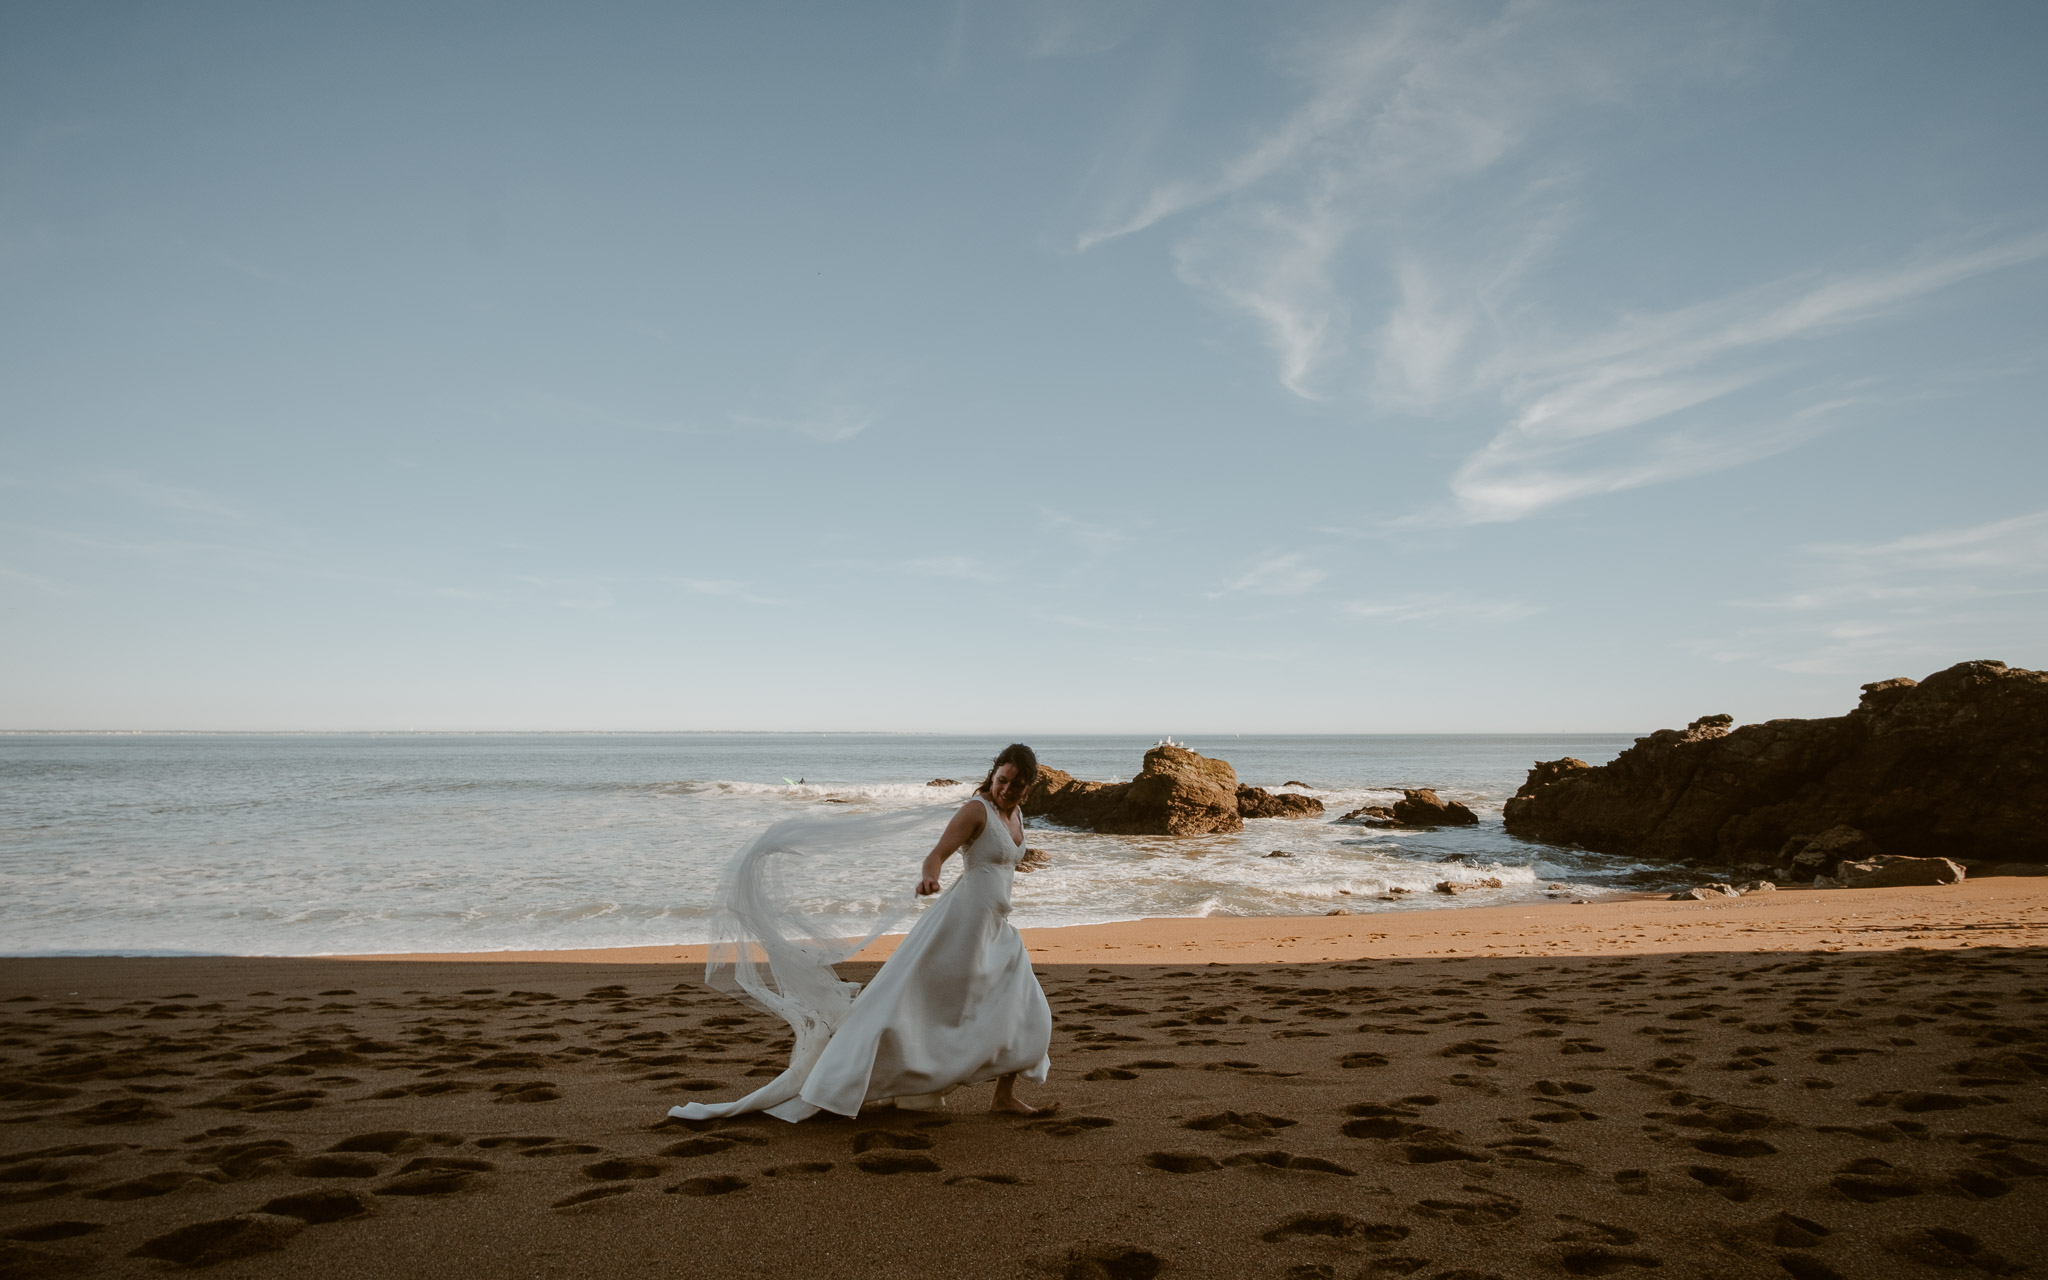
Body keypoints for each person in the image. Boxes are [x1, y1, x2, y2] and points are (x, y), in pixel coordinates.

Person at [670, 743, 1057, 1123]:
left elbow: (1004, 868)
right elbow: (937, 854)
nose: (1006, 789)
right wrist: (929, 876)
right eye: (1002, 780)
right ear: (994, 774)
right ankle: (852, 1077)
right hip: (962, 927)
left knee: (1025, 1005)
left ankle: (1003, 1096)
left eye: (1017, 785)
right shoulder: (977, 810)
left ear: (1028, 787)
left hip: (997, 926)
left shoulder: (1017, 816)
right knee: (916, 1005)